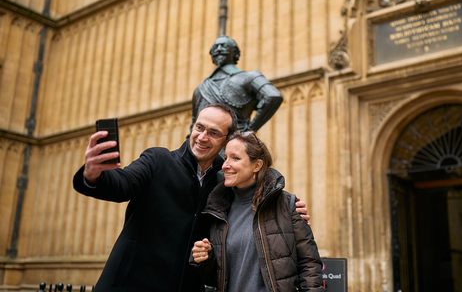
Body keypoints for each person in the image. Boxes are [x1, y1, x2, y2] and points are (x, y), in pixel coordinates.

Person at [73, 103, 309, 292]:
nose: (202, 137)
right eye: (199, 127)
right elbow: (122, 184)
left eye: (213, 133)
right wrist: (94, 175)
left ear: (226, 142)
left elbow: (253, 198)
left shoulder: (224, 180)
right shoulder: (158, 160)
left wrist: (287, 209)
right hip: (129, 283)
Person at [191, 131, 325, 292]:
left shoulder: (286, 205)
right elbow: (215, 277)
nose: (225, 165)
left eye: (235, 158)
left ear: (257, 165)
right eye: (225, 157)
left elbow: (310, 265)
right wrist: (204, 259)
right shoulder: (216, 211)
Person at [192, 35, 283, 132]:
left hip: (235, 141)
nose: (219, 49)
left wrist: (250, 130)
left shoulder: (249, 77)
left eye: (224, 46)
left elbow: (273, 96)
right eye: (215, 47)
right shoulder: (201, 88)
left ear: (235, 52)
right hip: (205, 144)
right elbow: (194, 123)